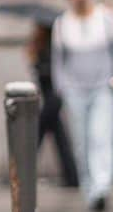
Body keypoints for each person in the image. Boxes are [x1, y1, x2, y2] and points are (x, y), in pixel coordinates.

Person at [50, 0, 113, 212]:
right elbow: (59, 61)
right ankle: (90, 189)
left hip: (103, 88)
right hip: (75, 91)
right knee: (81, 142)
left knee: (102, 136)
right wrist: (62, 87)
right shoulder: (62, 24)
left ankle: (101, 187)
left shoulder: (107, 18)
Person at [29, 20, 79, 187]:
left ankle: (22, 170)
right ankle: (72, 177)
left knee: (36, 135)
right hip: (49, 97)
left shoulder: (53, 48)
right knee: (59, 138)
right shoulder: (41, 47)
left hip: (53, 98)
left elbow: (50, 72)